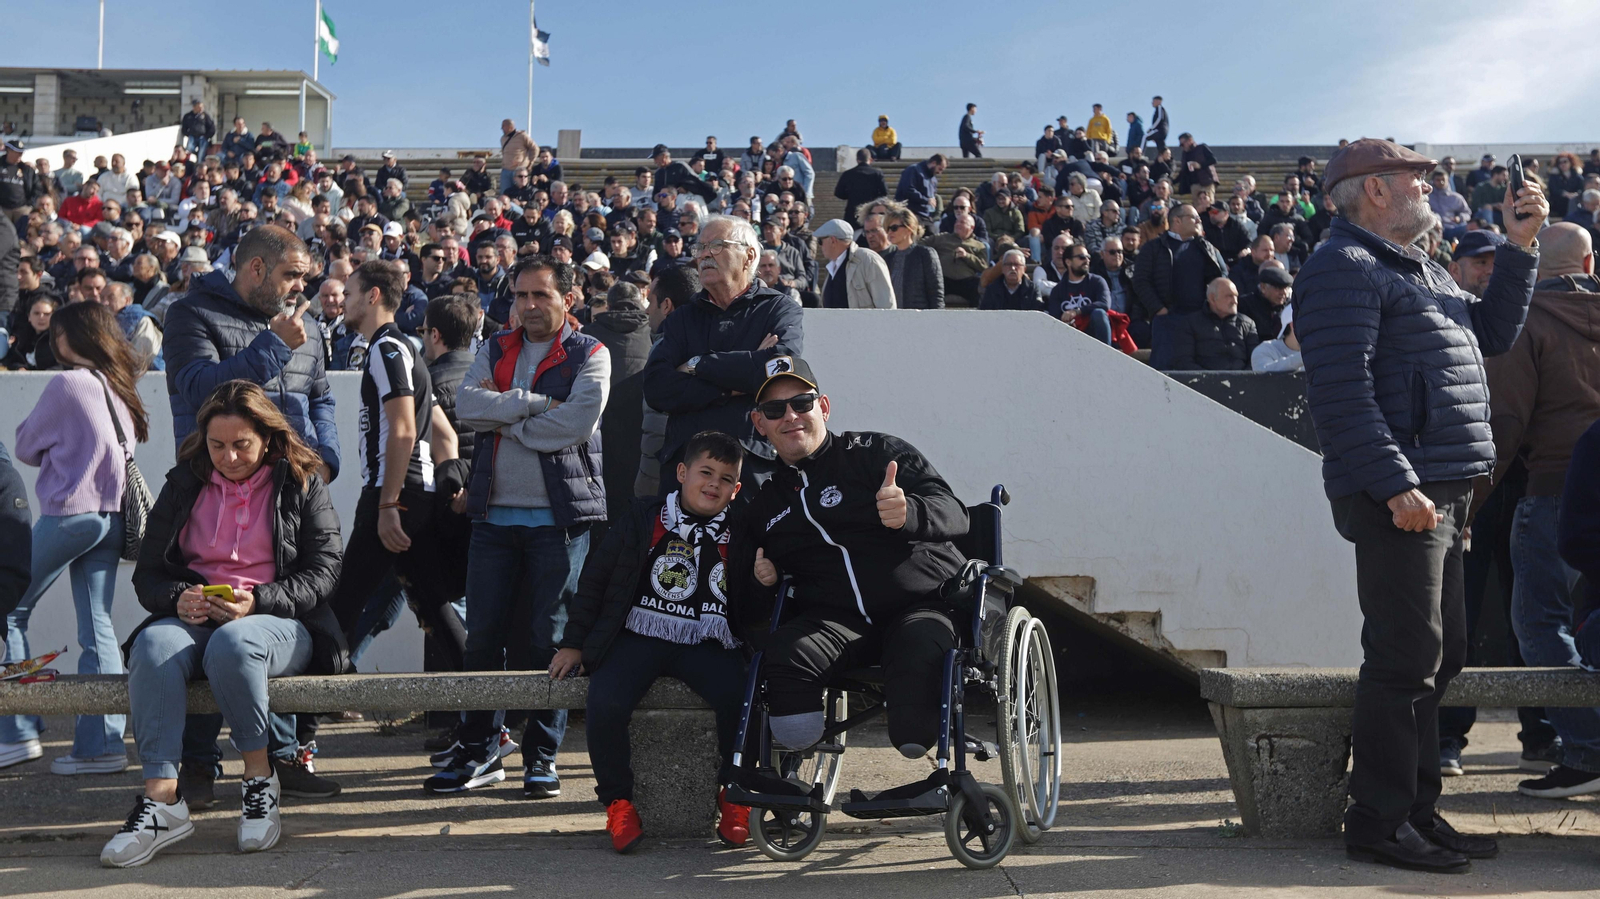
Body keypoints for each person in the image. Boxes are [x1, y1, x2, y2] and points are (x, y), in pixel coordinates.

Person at [1295, 138, 1547, 873]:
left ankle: (1414, 809)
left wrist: (1520, 247)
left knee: (1444, 655)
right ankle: (1376, 818)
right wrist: (1395, 484)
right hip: (1403, 491)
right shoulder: (1341, 267)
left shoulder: (1417, 265)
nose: (1431, 187)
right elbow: (1341, 396)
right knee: (1405, 658)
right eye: (1419, 178)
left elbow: (1493, 332)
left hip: (1444, 490)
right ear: (1375, 190)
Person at [102, 381, 344, 868]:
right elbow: (149, 574)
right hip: (195, 618)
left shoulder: (300, 480)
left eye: (242, 445)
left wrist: (258, 602)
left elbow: (326, 569)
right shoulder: (183, 482)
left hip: (278, 620)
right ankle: (163, 801)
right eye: (218, 446)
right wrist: (179, 598)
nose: (229, 457)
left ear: (268, 438)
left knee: (232, 644)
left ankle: (259, 780)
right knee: (151, 646)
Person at [729, 358, 969, 771]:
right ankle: (789, 781)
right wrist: (761, 582)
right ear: (759, 423)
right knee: (783, 653)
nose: (790, 417)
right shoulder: (764, 504)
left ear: (823, 407)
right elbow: (746, 603)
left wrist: (909, 512)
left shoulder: (878, 454)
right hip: (837, 623)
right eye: (774, 410)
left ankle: (934, 770)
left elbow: (956, 513)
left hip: (921, 606)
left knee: (913, 721)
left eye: (801, 403)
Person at [438, 257, 611, 798]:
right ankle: (479, 748)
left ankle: (542, 756)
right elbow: (467, 406)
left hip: (558, 524)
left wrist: (506, 419)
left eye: (541, 294)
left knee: (549, 644)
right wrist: (534, 406)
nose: (530, 305)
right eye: (521, 295)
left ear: (569, 297)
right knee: (482, 640)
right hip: (492, 517)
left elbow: (577, 424)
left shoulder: (592, 354)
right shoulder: (495, 346)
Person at [549, 430, 753, 853]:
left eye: (726, 478)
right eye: (705, 472)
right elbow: (596, 579)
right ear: (682, 473)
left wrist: (764, 578)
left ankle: (735, 794)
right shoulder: (645, 518)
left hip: (708, 639)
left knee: (742, 700)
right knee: (605, 702)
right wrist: (574, 642)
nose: (714, 484)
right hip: (640, 633)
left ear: (735, 490)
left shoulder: (744, 531)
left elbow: (757, 596)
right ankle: (618, 803)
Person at [1463, 223, 1600, 800]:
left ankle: (1587, 751)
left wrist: (1471, 502)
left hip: (1555, 491)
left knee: (1538, 621)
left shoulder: (1526, 321)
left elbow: (1506, 424)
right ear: (1590, 261)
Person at [2, 301, 146, 776]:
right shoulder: (115, 385)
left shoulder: (68, 383)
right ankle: (101, 745)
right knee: (97, 628)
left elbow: (24, 445)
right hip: (109, 520)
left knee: (10, 609)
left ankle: (16, 732)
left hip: (70, 515)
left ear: (73, 336)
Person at [326, 259, 464, 671]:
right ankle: (490, 725)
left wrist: (387, 504)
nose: (343, 302)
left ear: (373, 296)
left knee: (339, 612)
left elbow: (404, 431)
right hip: (413, 496)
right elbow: (445, 436)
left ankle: (301, 730)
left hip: (395, 495)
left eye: (348, 294)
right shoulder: (408, 350)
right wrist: (447, 479)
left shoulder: (386, 348)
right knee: (437, 612)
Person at [641, 215, 804, 495]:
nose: (704, 254)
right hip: (685, 470)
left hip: (752, 469)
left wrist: (696, 364)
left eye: (716, 245)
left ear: (748, 255)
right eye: (700, 247)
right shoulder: (682, 318)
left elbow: (779, 369)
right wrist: (739, 380)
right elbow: (657, 388)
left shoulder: (778, 310)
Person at [581, 281, 653, 541]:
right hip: (642, 429)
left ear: (609, 306)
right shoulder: (652, 332)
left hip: (600, 431)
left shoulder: (589, 334)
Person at [1133, 204, 1226, 368]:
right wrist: (1159, 309)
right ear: (1177, 220)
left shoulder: (1208, 248)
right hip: (1167, 319)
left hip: (1201, 319)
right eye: (1193, 217)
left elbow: (1222, 277)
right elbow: (1141, 281)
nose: (1199, 220)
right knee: (1165, 369)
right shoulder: (1153, 248)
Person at [1164, 277, 1258, 370]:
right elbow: (1183, 361)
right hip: (1202, 382)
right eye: (1229, 296)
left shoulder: (1247, 324)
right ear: (1212, 298)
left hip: (1242, 382)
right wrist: (1209, 380)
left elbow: (1255, 360)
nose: (1235, 301)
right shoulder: (1190, 324)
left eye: (1236, 296)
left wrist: (1243, 379)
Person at [816, 219, 894, 309]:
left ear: (833, 240)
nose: (820, 246)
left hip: (864, 323)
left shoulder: (868, 260)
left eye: (820, 242)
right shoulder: (832, 267)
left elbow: (886, 304)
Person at [879, 205, 944, 310]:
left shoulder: (925, 254)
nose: (889, 232)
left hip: (920, 319)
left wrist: (936, 320)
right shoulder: (888, 259)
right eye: (887, 229)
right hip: (893, 319)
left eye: (894, 228)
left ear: (909, 228)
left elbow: (936, 292)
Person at [1047, 244, 1114, 344]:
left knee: (1099, 313)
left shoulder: (1097, 281)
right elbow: (1054, 318)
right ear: (1068, 262)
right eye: (1082, 257)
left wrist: (1077, 311)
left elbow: (1104, 304)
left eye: (1088, 257)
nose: (1086, 260)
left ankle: (1107, 355)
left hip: (1094, 334)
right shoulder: (1057, 290)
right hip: (1069, 338)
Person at [925, 212, 987, 306]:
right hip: (943, 279)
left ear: (971, 227)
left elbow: (983, 267)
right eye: (956, 222)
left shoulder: (979, 245)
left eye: (962, 222)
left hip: (967, 281)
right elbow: (921, 244)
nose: (957, 224)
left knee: (979, 288)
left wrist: (967, 256)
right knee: (929, 285)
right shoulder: (942, 238)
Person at [1239, 264, 1294, 341]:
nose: (1283, 293)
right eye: (1278, 288)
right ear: (1263, 287)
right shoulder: (1245, 305)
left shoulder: (1290, 307)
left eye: (1286, 288)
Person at [833, 149, 887, 228]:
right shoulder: (877, 174)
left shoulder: (848, 174)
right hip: (871, 212)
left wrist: (850, 195)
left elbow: (838, 193)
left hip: (852, 212)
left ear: (857, 160)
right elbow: (884, 193)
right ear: (870, 159)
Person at [979, 248, 1045, 312]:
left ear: (1024, 269)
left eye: (1017, 265)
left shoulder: (1032, 289)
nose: (1013, 268)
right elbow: (984, 315)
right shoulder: (992, 289)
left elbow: (1038, 315)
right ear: (1002, 268)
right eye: (1009, 264)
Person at [895, 154, 946, 223]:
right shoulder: (913, 170)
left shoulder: (933, 179)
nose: (940, 173)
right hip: (909, 213)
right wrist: (926, 200)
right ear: (933, 163)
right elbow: (908, 190)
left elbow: (932, 196)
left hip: (924, 215)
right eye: (939, 169)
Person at [499, 120, 539, 195]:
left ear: (510, 127)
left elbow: (535, 148)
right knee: (504, 193)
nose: (501, 128)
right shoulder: (503, 139)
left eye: (503, 126)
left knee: (519, 192)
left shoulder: (522, 136)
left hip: (518, 169)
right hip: (506, 170)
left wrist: (531, 162)